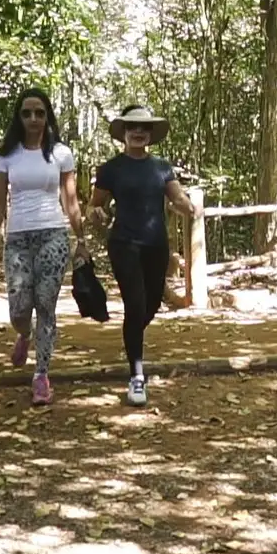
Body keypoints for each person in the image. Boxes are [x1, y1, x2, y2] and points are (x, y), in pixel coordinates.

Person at [0, 88, 87, 405]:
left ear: (47, 116)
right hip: (18, 237)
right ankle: (23, 334)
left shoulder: (60, 154)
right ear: (19, 117)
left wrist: (80, 240)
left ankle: (41, 374)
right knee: (18, 307)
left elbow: (70, 200)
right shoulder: (7, 156)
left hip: (53, 234)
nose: (33, 119)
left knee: (45, 304)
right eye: (27, 113)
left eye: (39, 113)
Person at [88, 105, 195, 406]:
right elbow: (94, 205)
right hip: (124, 243)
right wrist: (96, 213)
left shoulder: (161, 167)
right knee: (135, 304)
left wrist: (186, 204)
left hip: (156, 244)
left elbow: (176, 195)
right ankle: (137, 376)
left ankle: (132, 336)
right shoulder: (110, 169)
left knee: (149, 306)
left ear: (150, 134)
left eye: (144, 128)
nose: (138, 132)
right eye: (132, 127)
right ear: (123, 133)